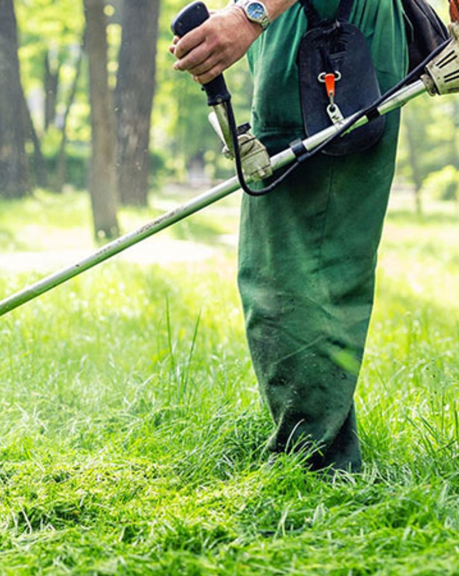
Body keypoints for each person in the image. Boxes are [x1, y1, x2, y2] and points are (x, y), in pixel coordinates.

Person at [171, 0, 407, 472]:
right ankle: (320, 452)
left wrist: (249, 15)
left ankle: (317, 468)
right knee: (286, 258)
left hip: (328, 26)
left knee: (301, 260)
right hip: (303, 22)